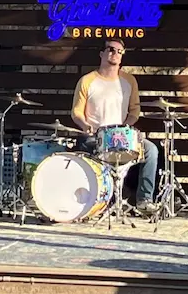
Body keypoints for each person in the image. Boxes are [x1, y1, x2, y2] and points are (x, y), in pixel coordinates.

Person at [69, 37, 160, 207]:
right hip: (96, 136)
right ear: (101, 53)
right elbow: (76, 112)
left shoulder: (129, 81)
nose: (115, 54)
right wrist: (85, 125)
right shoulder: (87, 80)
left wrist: (127, 127)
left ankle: (144, 199)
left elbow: (135, 111)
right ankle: (100, 200)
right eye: (111, 49)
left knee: (151, 150)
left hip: (122, 136)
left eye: (119, 51)